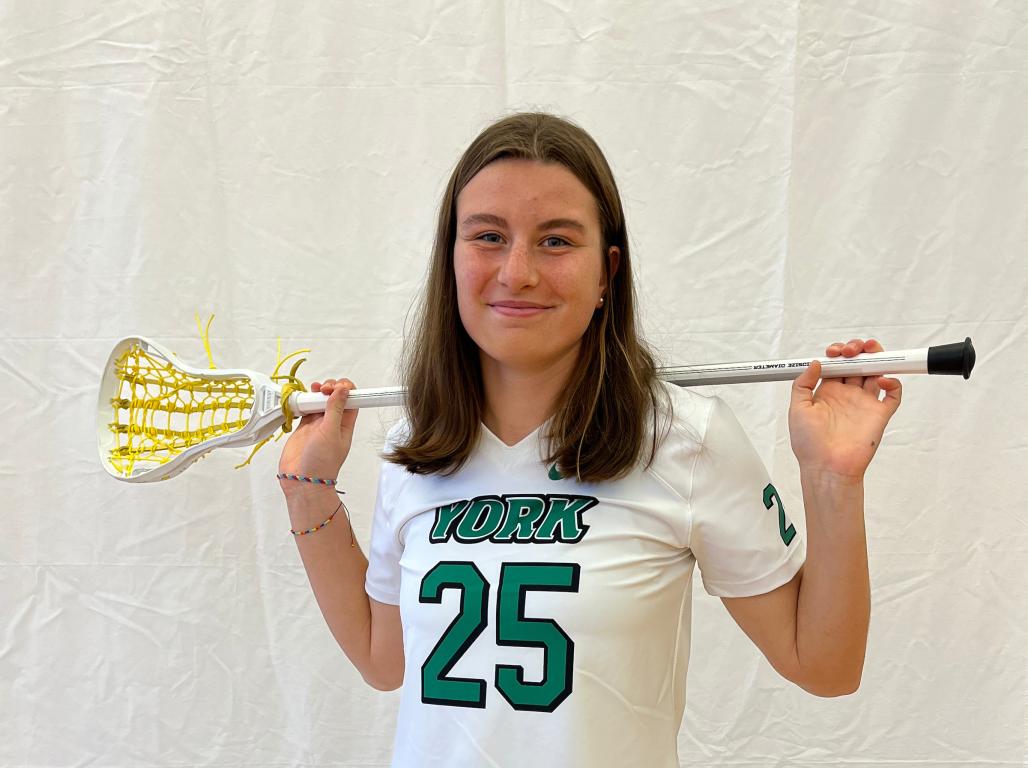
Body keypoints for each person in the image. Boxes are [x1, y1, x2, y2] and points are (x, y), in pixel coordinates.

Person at [276, 111, 903, 767]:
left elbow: (824, 667)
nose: (516, 272)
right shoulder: (415, 448)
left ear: (606, 273)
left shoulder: (686, 438)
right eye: (488, 236)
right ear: (451, 258)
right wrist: (307, 494)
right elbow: (384, 659)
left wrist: (833, 477)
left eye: (555, 242)